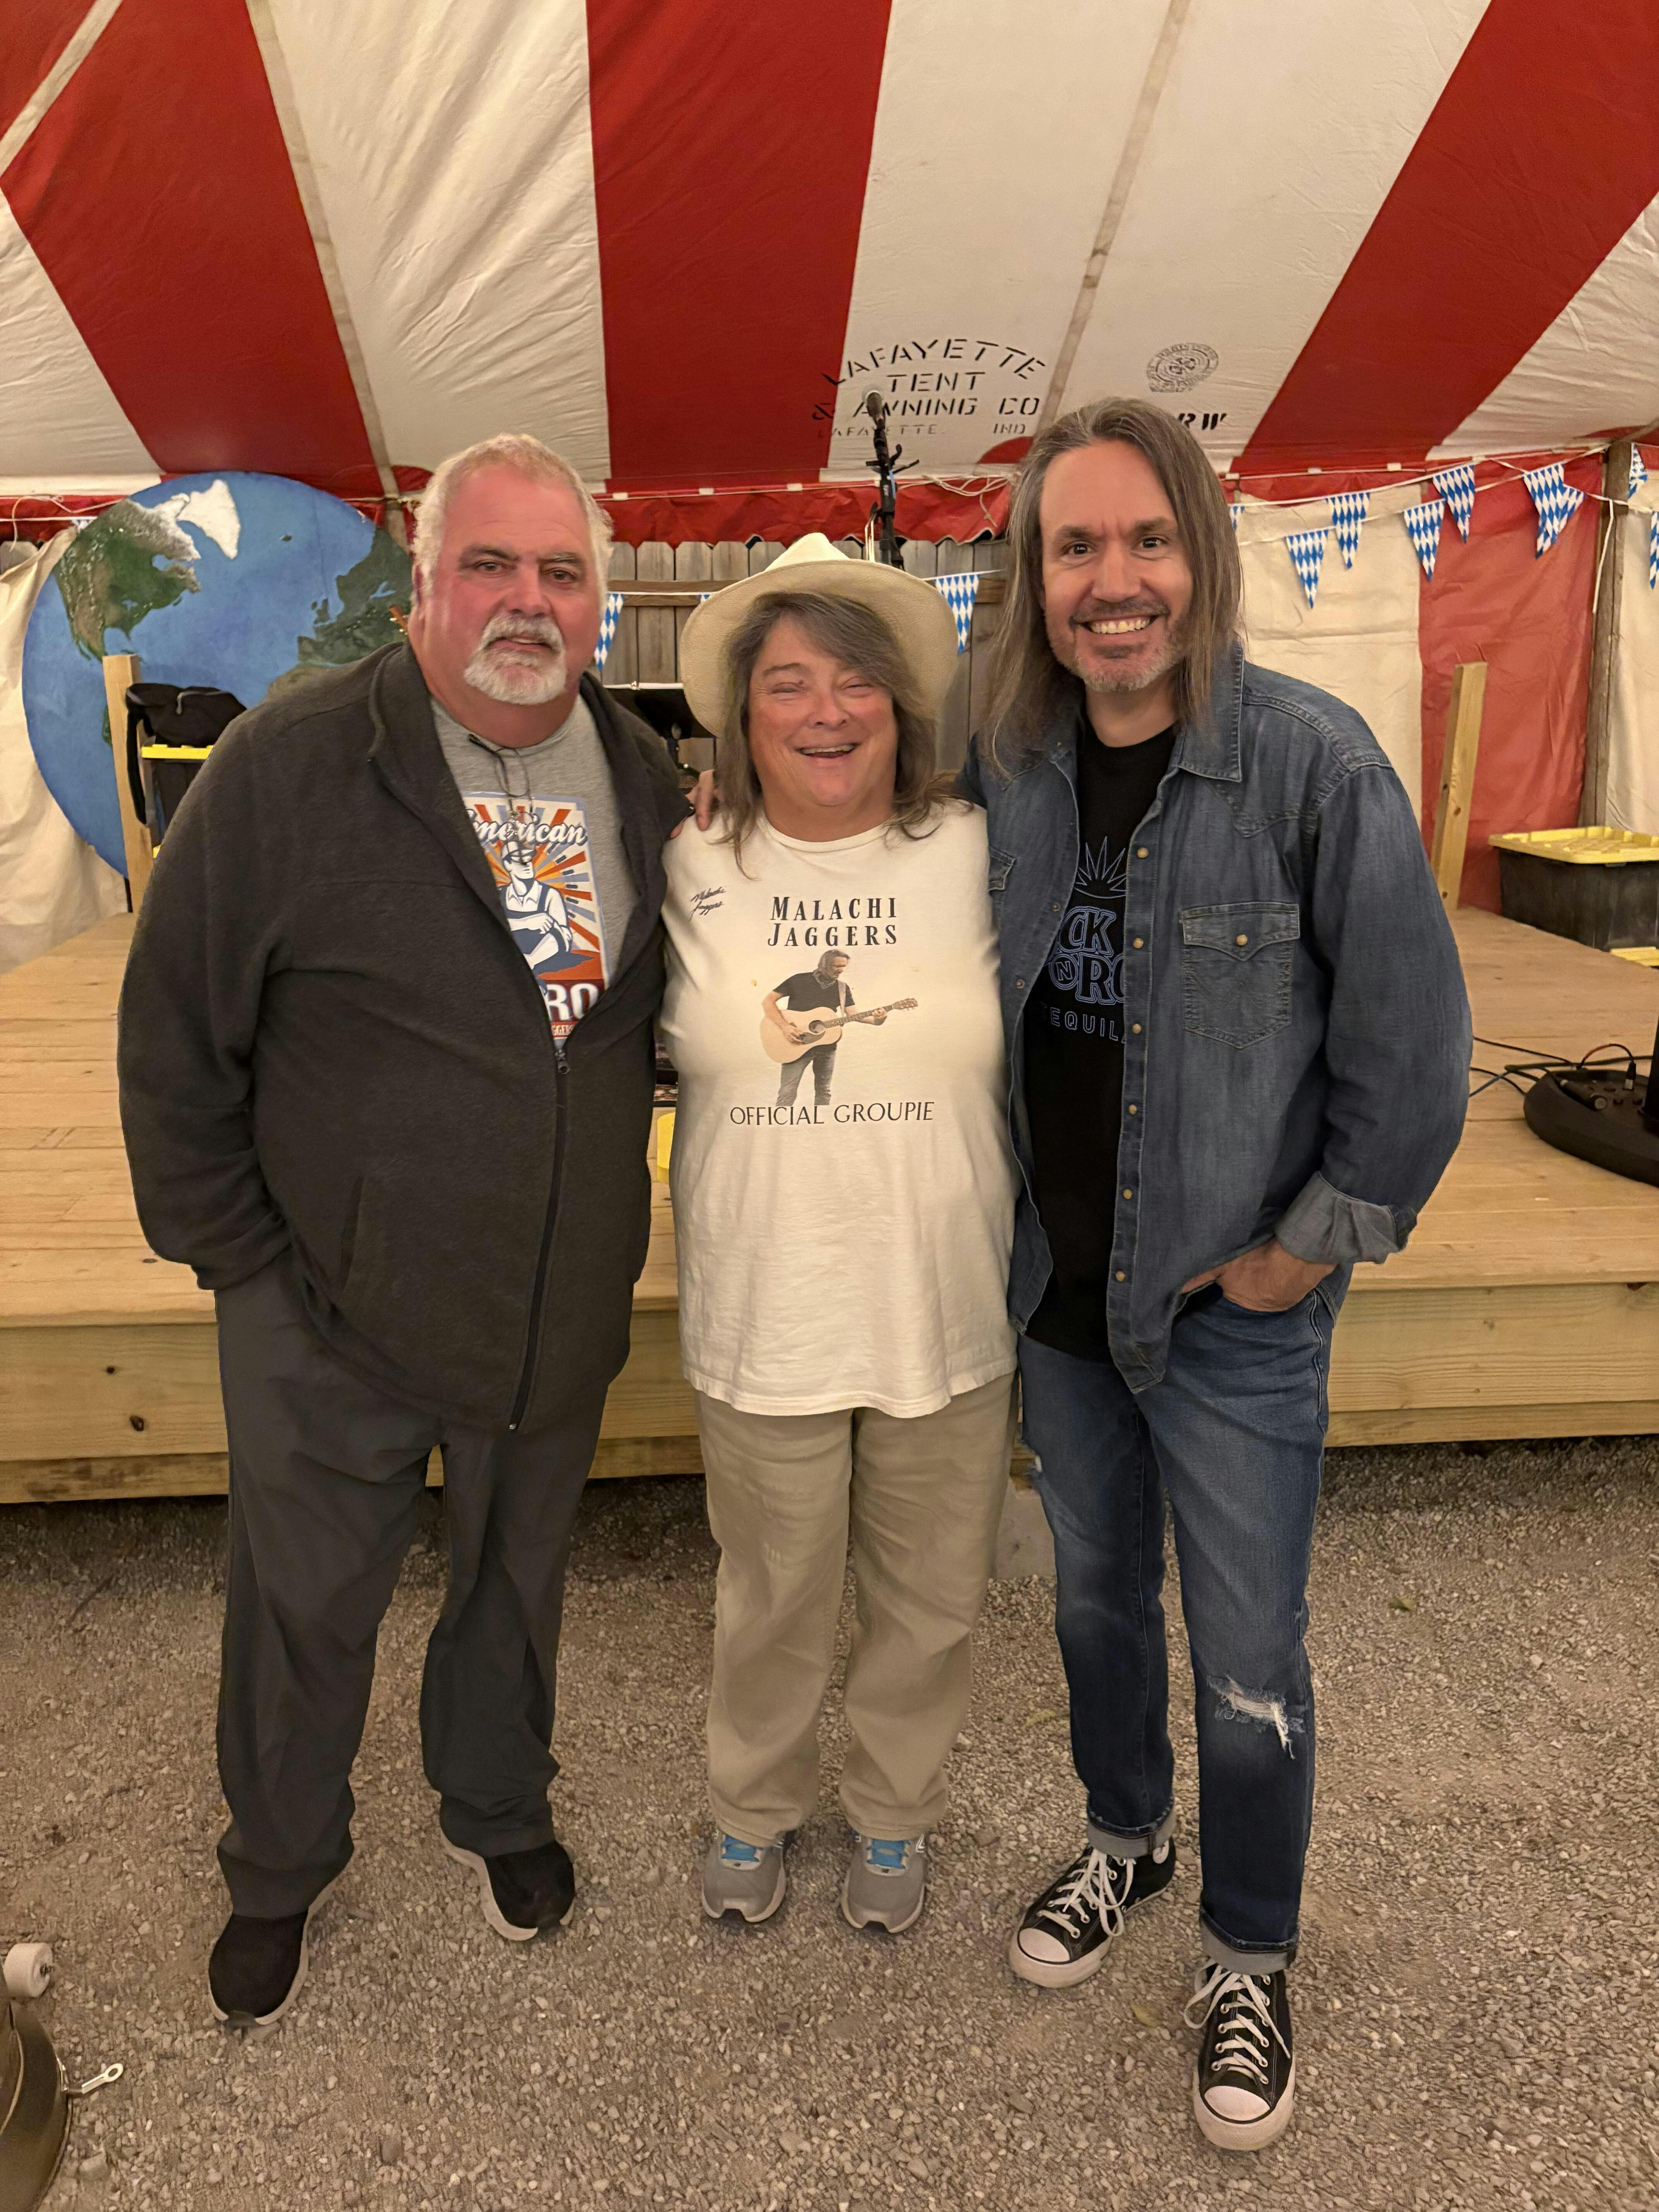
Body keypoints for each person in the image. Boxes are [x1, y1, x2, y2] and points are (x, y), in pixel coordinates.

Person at [118, 434, 687, 2028]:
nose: (526, 600)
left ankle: (495, 1803)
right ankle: (277, 1866)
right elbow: (173, 1038)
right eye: (487, 564)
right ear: (420, 587)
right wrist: (247, 1268)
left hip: (552, 1295)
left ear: (602, 600)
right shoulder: (291, 768)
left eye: (560, 570)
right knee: (302, 1606)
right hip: (324, 1306)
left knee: (517, 1582)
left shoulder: (645, 778)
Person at [961, 400, 1470, 2151]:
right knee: (1095, 1607)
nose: (1113, 582)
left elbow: (1414, 1057)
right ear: (1035, 581)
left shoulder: (1315, 769)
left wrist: (1299, 1254)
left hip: (1227, 1313)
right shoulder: (1006, 767)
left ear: (1203, 555)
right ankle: (1128, 1838)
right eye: (1074, 548)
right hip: (1058, 1298)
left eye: (1146, 539)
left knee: (1249, 1653)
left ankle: (1250, 1952)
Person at [662, 535, 1019, 1934]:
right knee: (769, 1593)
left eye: (856, 680)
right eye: (789, 683)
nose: (826, 712)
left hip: (946, 1299)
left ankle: (891, 1813)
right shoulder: (683, 853)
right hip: (765, 1304)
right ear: (741, 716)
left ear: (901, 705)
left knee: (930, 1598)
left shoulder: (984, 848)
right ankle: (751, 1803)